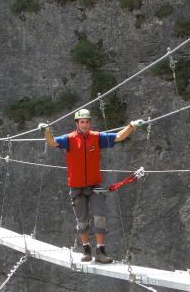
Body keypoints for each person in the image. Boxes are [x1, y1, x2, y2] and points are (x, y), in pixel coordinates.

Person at [38, 109, 144, 263]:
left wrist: (132, 126)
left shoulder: (97, 137)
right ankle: (86, 249)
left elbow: (119, 136)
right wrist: (46, 131)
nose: (85, 124)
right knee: (82, 221)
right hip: (77, 188)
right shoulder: (69, 139)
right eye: (82, 122)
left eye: (87, 122)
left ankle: (101, 251)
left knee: (100, 217)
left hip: (96, 186)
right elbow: (52, 142)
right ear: (77, 123)